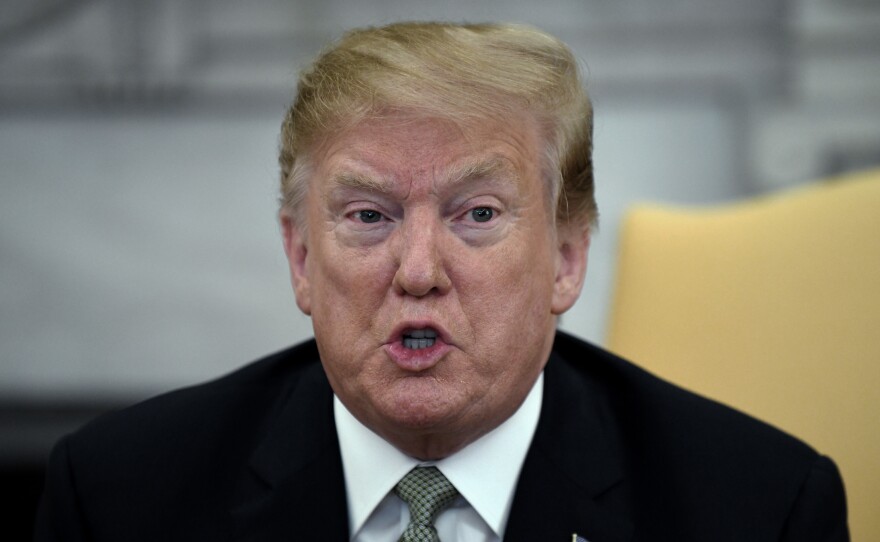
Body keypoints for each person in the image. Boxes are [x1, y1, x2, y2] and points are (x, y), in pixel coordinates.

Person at [35, 22, 848, 542]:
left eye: (478, 214)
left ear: (567, 257)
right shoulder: (119, 500)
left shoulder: (758, 508)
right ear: (300, 259)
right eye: (368, 216)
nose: (418, 272)